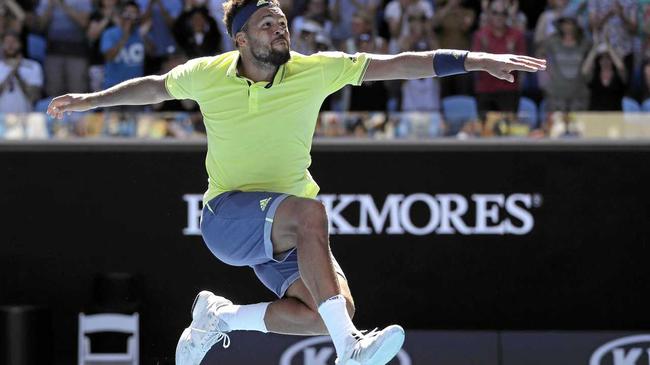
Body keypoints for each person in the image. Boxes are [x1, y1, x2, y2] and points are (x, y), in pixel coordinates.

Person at [46, 0, 545, 363]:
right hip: (228, 218)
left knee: (327, 310)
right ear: (241, 39)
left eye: (282, 23)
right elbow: (154, 88)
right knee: (313, 223)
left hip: (281, 229)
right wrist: (88, 101)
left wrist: (474, 59)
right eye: (267, 25)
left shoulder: (314, 70)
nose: (280, 30)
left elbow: (397, 66)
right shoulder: (206, 73)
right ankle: (350, 347)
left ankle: (219, 318)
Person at [0, 31, 43, 113]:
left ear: (20, 44)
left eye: (14, 42)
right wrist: (12, 71)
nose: (10, 45)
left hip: (25, 117)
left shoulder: (33, 66)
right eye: (7, 42)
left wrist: (17, 74)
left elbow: (34, 96)